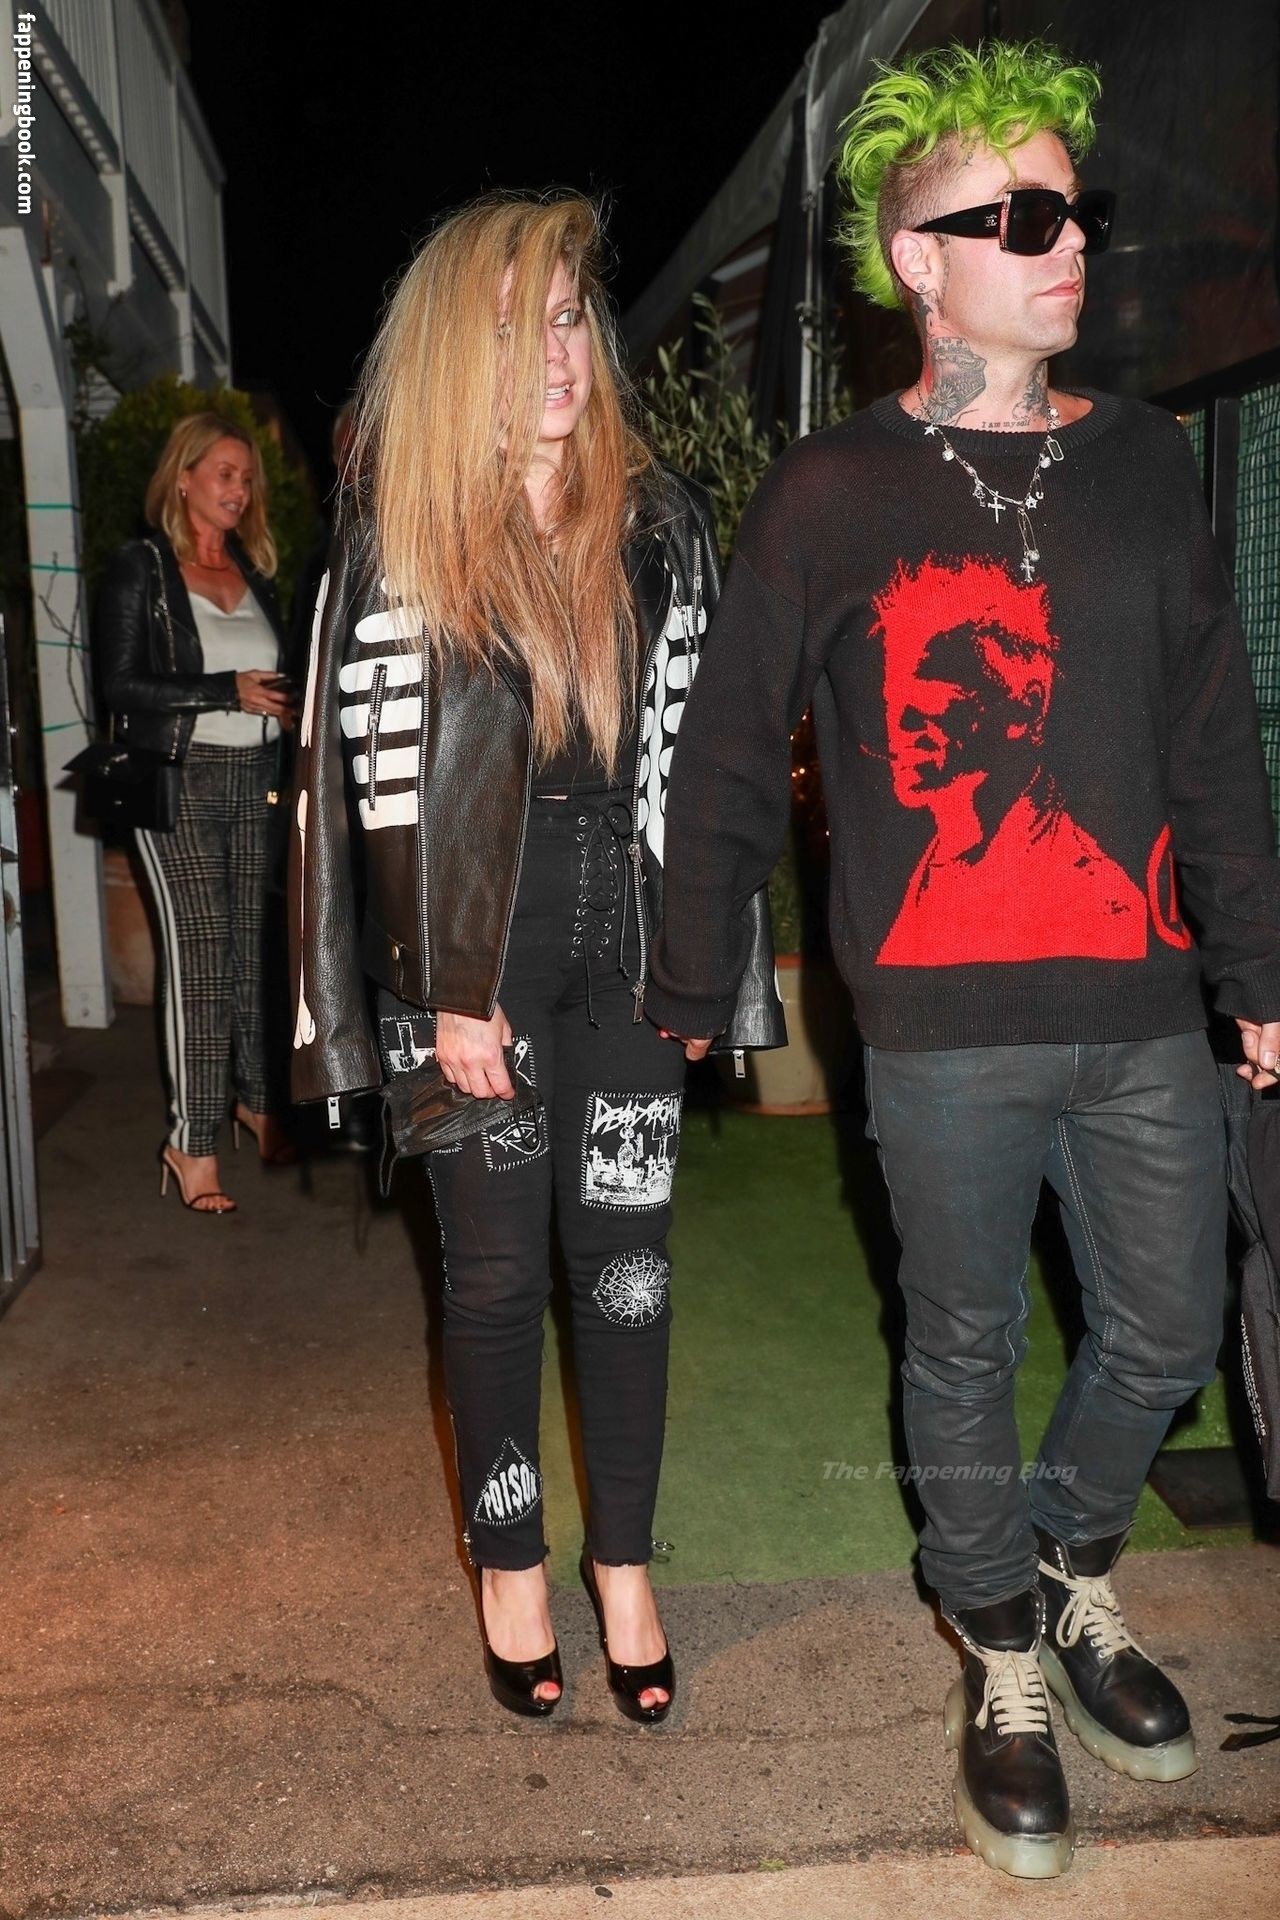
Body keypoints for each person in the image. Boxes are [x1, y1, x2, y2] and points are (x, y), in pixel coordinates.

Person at [644, 39, 1280, 1877]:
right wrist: (692, 981)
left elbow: (1214, 740)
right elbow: (728, 751)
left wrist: (1257, 964)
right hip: (935, 1031)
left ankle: (1070, 1560)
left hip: (1142, 1007)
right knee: (965, 1340)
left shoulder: (1147, 463)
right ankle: (1000, 1647)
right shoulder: (830, 492)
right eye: (1021, 217)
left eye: (1078, 211)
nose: (1066, 242)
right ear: (919, 260)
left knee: (1167, 1326)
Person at [287, 193, 782, 1722]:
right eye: (515, 329)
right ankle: (510, 1563)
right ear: (455, 352)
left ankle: (623, 1564)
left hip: (626, 937)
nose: (556, 355)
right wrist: (436, 993)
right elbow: (362, 787)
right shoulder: (401, 529)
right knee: (498, 1278)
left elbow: (710, 763)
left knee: (627, 1269)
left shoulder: (661, 518)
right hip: (471, 954)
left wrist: (707, 962)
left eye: (569, 316)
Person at [97, 413, 298, 1213]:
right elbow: (119, 685)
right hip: (177, 781)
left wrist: (283, 704)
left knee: (256, 951)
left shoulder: (254, 569)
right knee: (204, 957)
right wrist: (226, 691)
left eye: (246, 478)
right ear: (183, 478)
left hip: (257, 778)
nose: (238, 490)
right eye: (224, 473)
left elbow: (270, 674)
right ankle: (193, 1141)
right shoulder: (141, 568)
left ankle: (259, 1101)